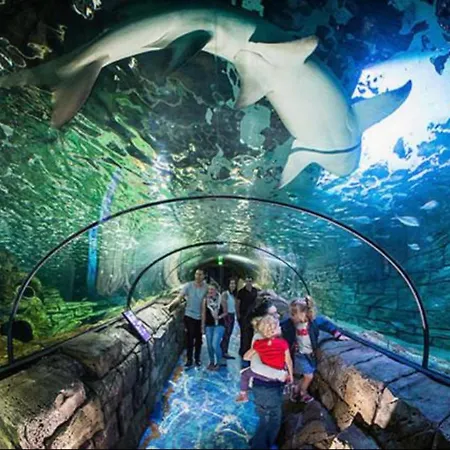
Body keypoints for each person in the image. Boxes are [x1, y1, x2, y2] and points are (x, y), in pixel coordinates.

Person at [282, 295, 349, 403]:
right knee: (309, 376)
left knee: (307, 374)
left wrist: (337, 334)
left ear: (303, 313)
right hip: (299, 354)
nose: (291, 316)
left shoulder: (314, 322)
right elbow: (279, 327)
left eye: (293, 314)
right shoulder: (289, 323)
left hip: (310, 354)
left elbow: (327, 325)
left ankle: (296, 389)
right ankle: (303, 393)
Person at [245, 299, 286, 450]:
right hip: (266, 387)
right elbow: (255, 366)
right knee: (271, 419)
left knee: (266, 417)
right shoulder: (260, 337)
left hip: (268, 386)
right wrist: (280, 374)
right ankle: (260, 445)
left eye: (277, 314)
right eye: (273, 315)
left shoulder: (268, 334)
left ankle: (258, 442)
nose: (277, 317)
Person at [236, 313, 293, 403]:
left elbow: (246, 357)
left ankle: (243, 395)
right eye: (278, 326)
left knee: (244, 373)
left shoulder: (259, 344)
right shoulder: (283, 343)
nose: (280, 327)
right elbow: (288, 361)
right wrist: (291, 376)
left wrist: (256, 356)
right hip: (278, 375)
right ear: (273, 331)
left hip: (263, 376)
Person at [173, 268, 208, 368]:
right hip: (189, 315)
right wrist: (171, 305)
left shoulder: (206, 287)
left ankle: (197, 358)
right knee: (189, 338)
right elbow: (180, 297)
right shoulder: (188, 286)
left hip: (200, 317)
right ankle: (189, 359)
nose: (198, 276)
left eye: (200, 274)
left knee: (199, 340)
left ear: (204, 276)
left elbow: (210, 298)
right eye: (196, 274)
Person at [202, 284, 228, 370]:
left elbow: (226, 312)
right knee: (209, 345)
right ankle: (212, 362)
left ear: (216, 290)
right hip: (209, 325)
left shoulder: (221, 299)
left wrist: (219, 317)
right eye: (209, 290)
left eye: (212, 289)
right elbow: (203, 314)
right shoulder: (206, 300)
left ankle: (219, 362)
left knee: (215, 344)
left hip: (219, 324)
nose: (210, 291)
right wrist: (202, 326)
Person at [236, 275, 259, 358]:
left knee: (251, 333)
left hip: (253, 315)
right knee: (244, 333)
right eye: (247, 281)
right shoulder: (241, 292)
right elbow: (237, 303)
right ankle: (243, 350)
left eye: (250, 281)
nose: (248, 283)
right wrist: (238, 314)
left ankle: (250, 350)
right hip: (243, 315)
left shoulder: (255, 291)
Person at [220, 278, 238, 359]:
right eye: (231, 283)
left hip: (232, 315)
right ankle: (223, 352)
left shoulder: (233, 294)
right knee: (226, 334)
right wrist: (226, 316)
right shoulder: (225, 294)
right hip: (227, 316)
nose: (233, 285)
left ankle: (224, 350)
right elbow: (224, 306)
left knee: (228, 334)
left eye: (234, 284)